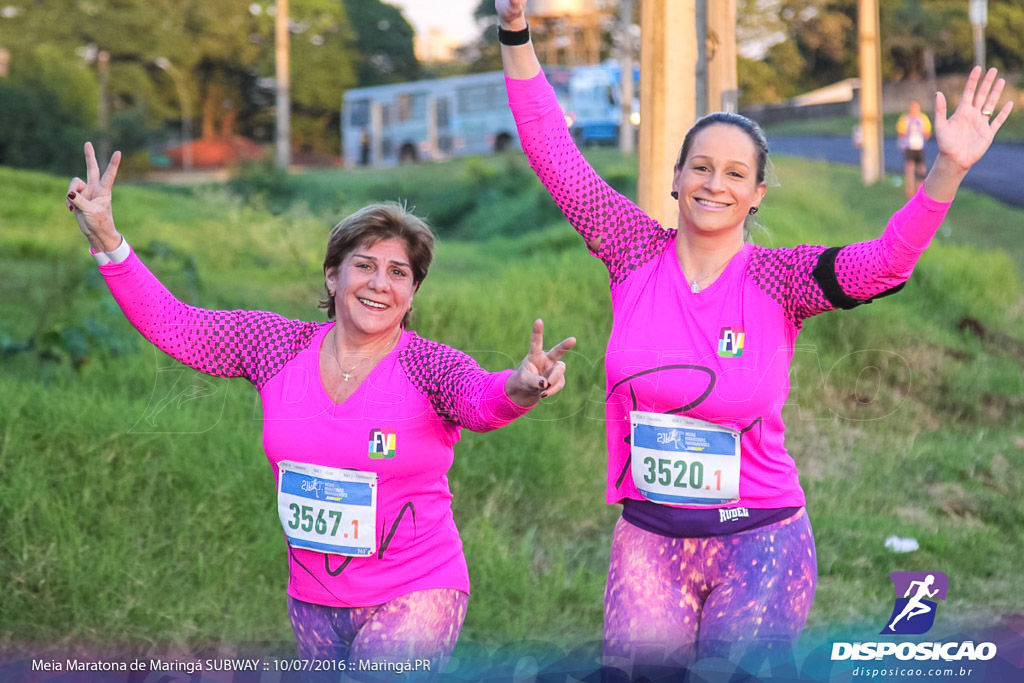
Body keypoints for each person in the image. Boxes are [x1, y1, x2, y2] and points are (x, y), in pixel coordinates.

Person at [496, 0, 1012, 676]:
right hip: (648, 538)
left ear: (758, 193)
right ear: (676, 179)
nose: (715, 182)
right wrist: (514, 31)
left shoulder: (780, 278)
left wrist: (947, 169)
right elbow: (551, 149)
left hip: (760, 538)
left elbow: (885, 264)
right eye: (701, 166)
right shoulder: (629, 249)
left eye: (735, 172)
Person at [65, 142, 575, 680]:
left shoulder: (428, 365)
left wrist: (521, 387)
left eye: (399, 273)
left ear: (412, 291)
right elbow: (177, 327)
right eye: (365, 265)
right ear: (333, 277)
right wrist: (106, 239)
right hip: (313, 600)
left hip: (418, 591)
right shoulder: (273, 345)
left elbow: (479, 398)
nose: (380, 283)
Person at [897, 100, 933, 199]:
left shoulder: (923, 119)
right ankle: (910, 189)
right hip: (909, 147)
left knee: (921, 169)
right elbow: (901, 132)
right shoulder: (905, 119)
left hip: (920, 147)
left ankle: (919, 189)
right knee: (910, 168)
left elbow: (927, 133)